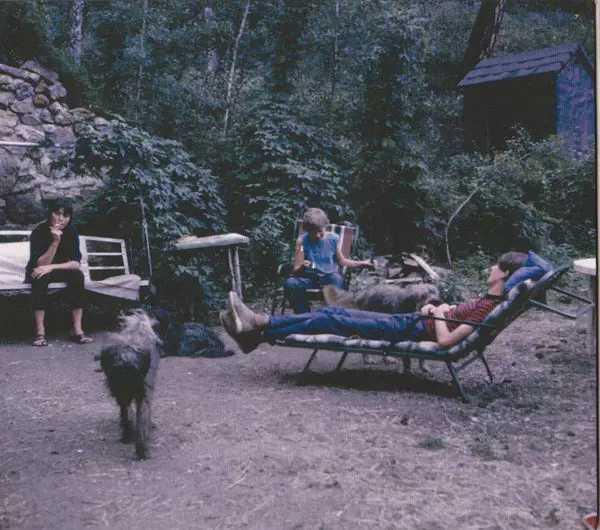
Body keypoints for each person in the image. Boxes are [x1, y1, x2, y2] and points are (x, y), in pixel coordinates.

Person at [220, 251, 527, 354]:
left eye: (496, 266)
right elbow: (452, 320)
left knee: (329, 320)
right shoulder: (490, 300)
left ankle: (259, 324)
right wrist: (440, 309)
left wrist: (439, 313)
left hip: (409, 331)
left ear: (504, 274)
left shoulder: (488, 308)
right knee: (332, 311)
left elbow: (446, 341)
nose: (491, 268)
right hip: (412, 322)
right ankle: (257, 332)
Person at [26, 198, 93, 346]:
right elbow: (41, 264)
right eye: (57, 213)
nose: (61, 219)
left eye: (66, 215)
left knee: (78, 276)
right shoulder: (39, 231)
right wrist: (55, 242)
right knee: (40, 277)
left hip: (59, 268)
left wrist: (52, 267)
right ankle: (40, 332)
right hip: (39, 269)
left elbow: (76, 263)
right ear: (50, 213)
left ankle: (77, 330)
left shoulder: (72, 232)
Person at [284, 208, 373, 313]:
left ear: (325, 226)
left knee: (337, 278)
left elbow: (342, 261)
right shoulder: (301, 242)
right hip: (309, 279)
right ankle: (305, 315)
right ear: (307, 230)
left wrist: (362, 264)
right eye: (313, 233)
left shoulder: (333, 239)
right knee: (290, 283)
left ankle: (331, 314)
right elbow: (296, 270)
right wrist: (303, 266)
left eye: (320, 231)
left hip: (328, 278)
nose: (317, 235)